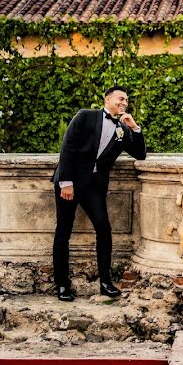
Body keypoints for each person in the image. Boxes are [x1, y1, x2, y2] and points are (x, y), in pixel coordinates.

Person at [52, 86, 146, 302]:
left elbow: (140, 154)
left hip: (94, 187)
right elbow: (68, 147)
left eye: (127, 101)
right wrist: (66, 182)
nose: (124, 103)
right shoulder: (86, 116)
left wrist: (135, 128)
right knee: (63, 232)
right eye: (121, 99)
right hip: (70, 182)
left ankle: (105, 282)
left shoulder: (123, 129)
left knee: (104, 228)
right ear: (108, 99)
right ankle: (62, 285)